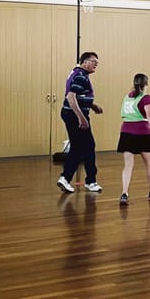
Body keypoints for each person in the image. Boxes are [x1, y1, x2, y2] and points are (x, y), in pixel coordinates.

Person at [117, 73, 150, 206]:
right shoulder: (146, 97)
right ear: (146, 84)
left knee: (128, 166)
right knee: (149, 163)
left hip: (126, 132)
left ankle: (124, 193)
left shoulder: (127, 96)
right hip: (142, 132)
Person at [57, 52, 103, 194]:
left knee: (79, 147)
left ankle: (66, 178)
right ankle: (90, 181)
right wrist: (81, 117)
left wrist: (92, 105)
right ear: (84, 62)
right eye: (93, 61)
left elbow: (78, 96)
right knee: (88, 146)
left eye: (97, 62)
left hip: (69, 114)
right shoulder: (81, 76)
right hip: (74, 116)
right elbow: (71, 97)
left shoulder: (77, 73)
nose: (96, 64)